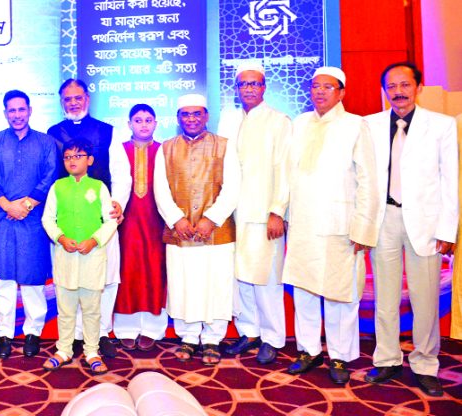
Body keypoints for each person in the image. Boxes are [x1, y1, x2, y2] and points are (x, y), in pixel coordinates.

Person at [277, 67, 379, 385]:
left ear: (342, 92)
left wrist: (364, 228)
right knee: (304, 289)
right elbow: (286, 173)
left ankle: (339, 355)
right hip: (304, 222)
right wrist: (279, 211)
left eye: (328, 87)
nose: (320, 92)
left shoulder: (355, 125)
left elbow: (368, 180)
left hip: (341, 224)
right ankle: (308, 350)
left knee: (340, 293)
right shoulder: (300, 123)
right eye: (315, 86)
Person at [363, 62, 458, 396]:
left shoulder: (442, 126)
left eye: (405, 84)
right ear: (384, 91)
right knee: (385, 299)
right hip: (384, 219)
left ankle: (425, 363)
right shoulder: (369, 125)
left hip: (427, 224)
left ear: (418, 87)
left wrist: (448, 230)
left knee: (425, 299)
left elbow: (450, 180)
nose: (398, 92)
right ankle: (387, 359)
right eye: (392, 86)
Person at [153, 93, 240, 366]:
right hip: (180, 232)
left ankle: (213, 338)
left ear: (206, 116)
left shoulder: (224, 146)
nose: (191, 119)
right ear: (178, 118)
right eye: (185, 114)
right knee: (183, 283)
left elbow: (233, 187)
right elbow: (160, 189)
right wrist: (176, 219)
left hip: (217, 232)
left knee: (216, 284)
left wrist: (210, 219)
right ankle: (189, 336)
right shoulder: (165, 148)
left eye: (196, 114)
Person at [47, 79, 130, 358]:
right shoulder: (52, 132)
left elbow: (121, 172)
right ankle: (74, 338)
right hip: (67, 220)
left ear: (87, 98)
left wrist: (118, 203)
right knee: (69, 279)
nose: (73, 103)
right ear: (61, 102)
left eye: (78, 97)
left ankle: (101, 332)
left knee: (104, 278)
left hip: (102, 217)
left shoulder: (107, 131)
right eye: (67, 99)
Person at [217, 63, 292, 364]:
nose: (248, 88)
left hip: (263, 213)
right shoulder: (229, 119)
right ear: (236, 89)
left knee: (266, 277)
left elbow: (284, 169)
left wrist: (278, 211)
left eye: (254, 84)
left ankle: (273, 336)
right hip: (232, 213)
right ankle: (249, 331)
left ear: (264, 87)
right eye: (243, 84)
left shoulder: (279, 121)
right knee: (240, 277)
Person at [0, 90, 57, 359]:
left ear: (30, 111)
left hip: (34, 221)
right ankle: (5, 335)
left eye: (21, 109)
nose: (16, 115)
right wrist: (7, 205)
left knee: (33, 279)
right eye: (11, 111)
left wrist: (25, 205)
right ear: (5, 113)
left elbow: (50, 177)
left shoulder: (47, 143)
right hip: (3, 219)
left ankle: (33, 333)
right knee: (3, 280)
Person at [41, 138, 118, 374]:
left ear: (90, 160)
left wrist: (93, 240)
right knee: (65, 308)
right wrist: (61, 238)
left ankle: (91, 351)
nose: (72, 161)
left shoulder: (99, 187)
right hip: (65, 255)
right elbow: (47, 219)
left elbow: (110, 220)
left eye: (78, 156)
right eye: (68, 157)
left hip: (92, 255)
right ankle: (63, 349)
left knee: (92, 309)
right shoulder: (58, 187)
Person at [113, 104, 168, 351]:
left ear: (156, 123)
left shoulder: (165, 150)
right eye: (138, 120)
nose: (143, 124)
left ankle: (153, 328)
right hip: (127, 220)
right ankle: (126, 327)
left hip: (157, 220)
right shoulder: (119, 150)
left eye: (148, 120)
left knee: (155, 270)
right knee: (128, 270)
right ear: (129, 124)